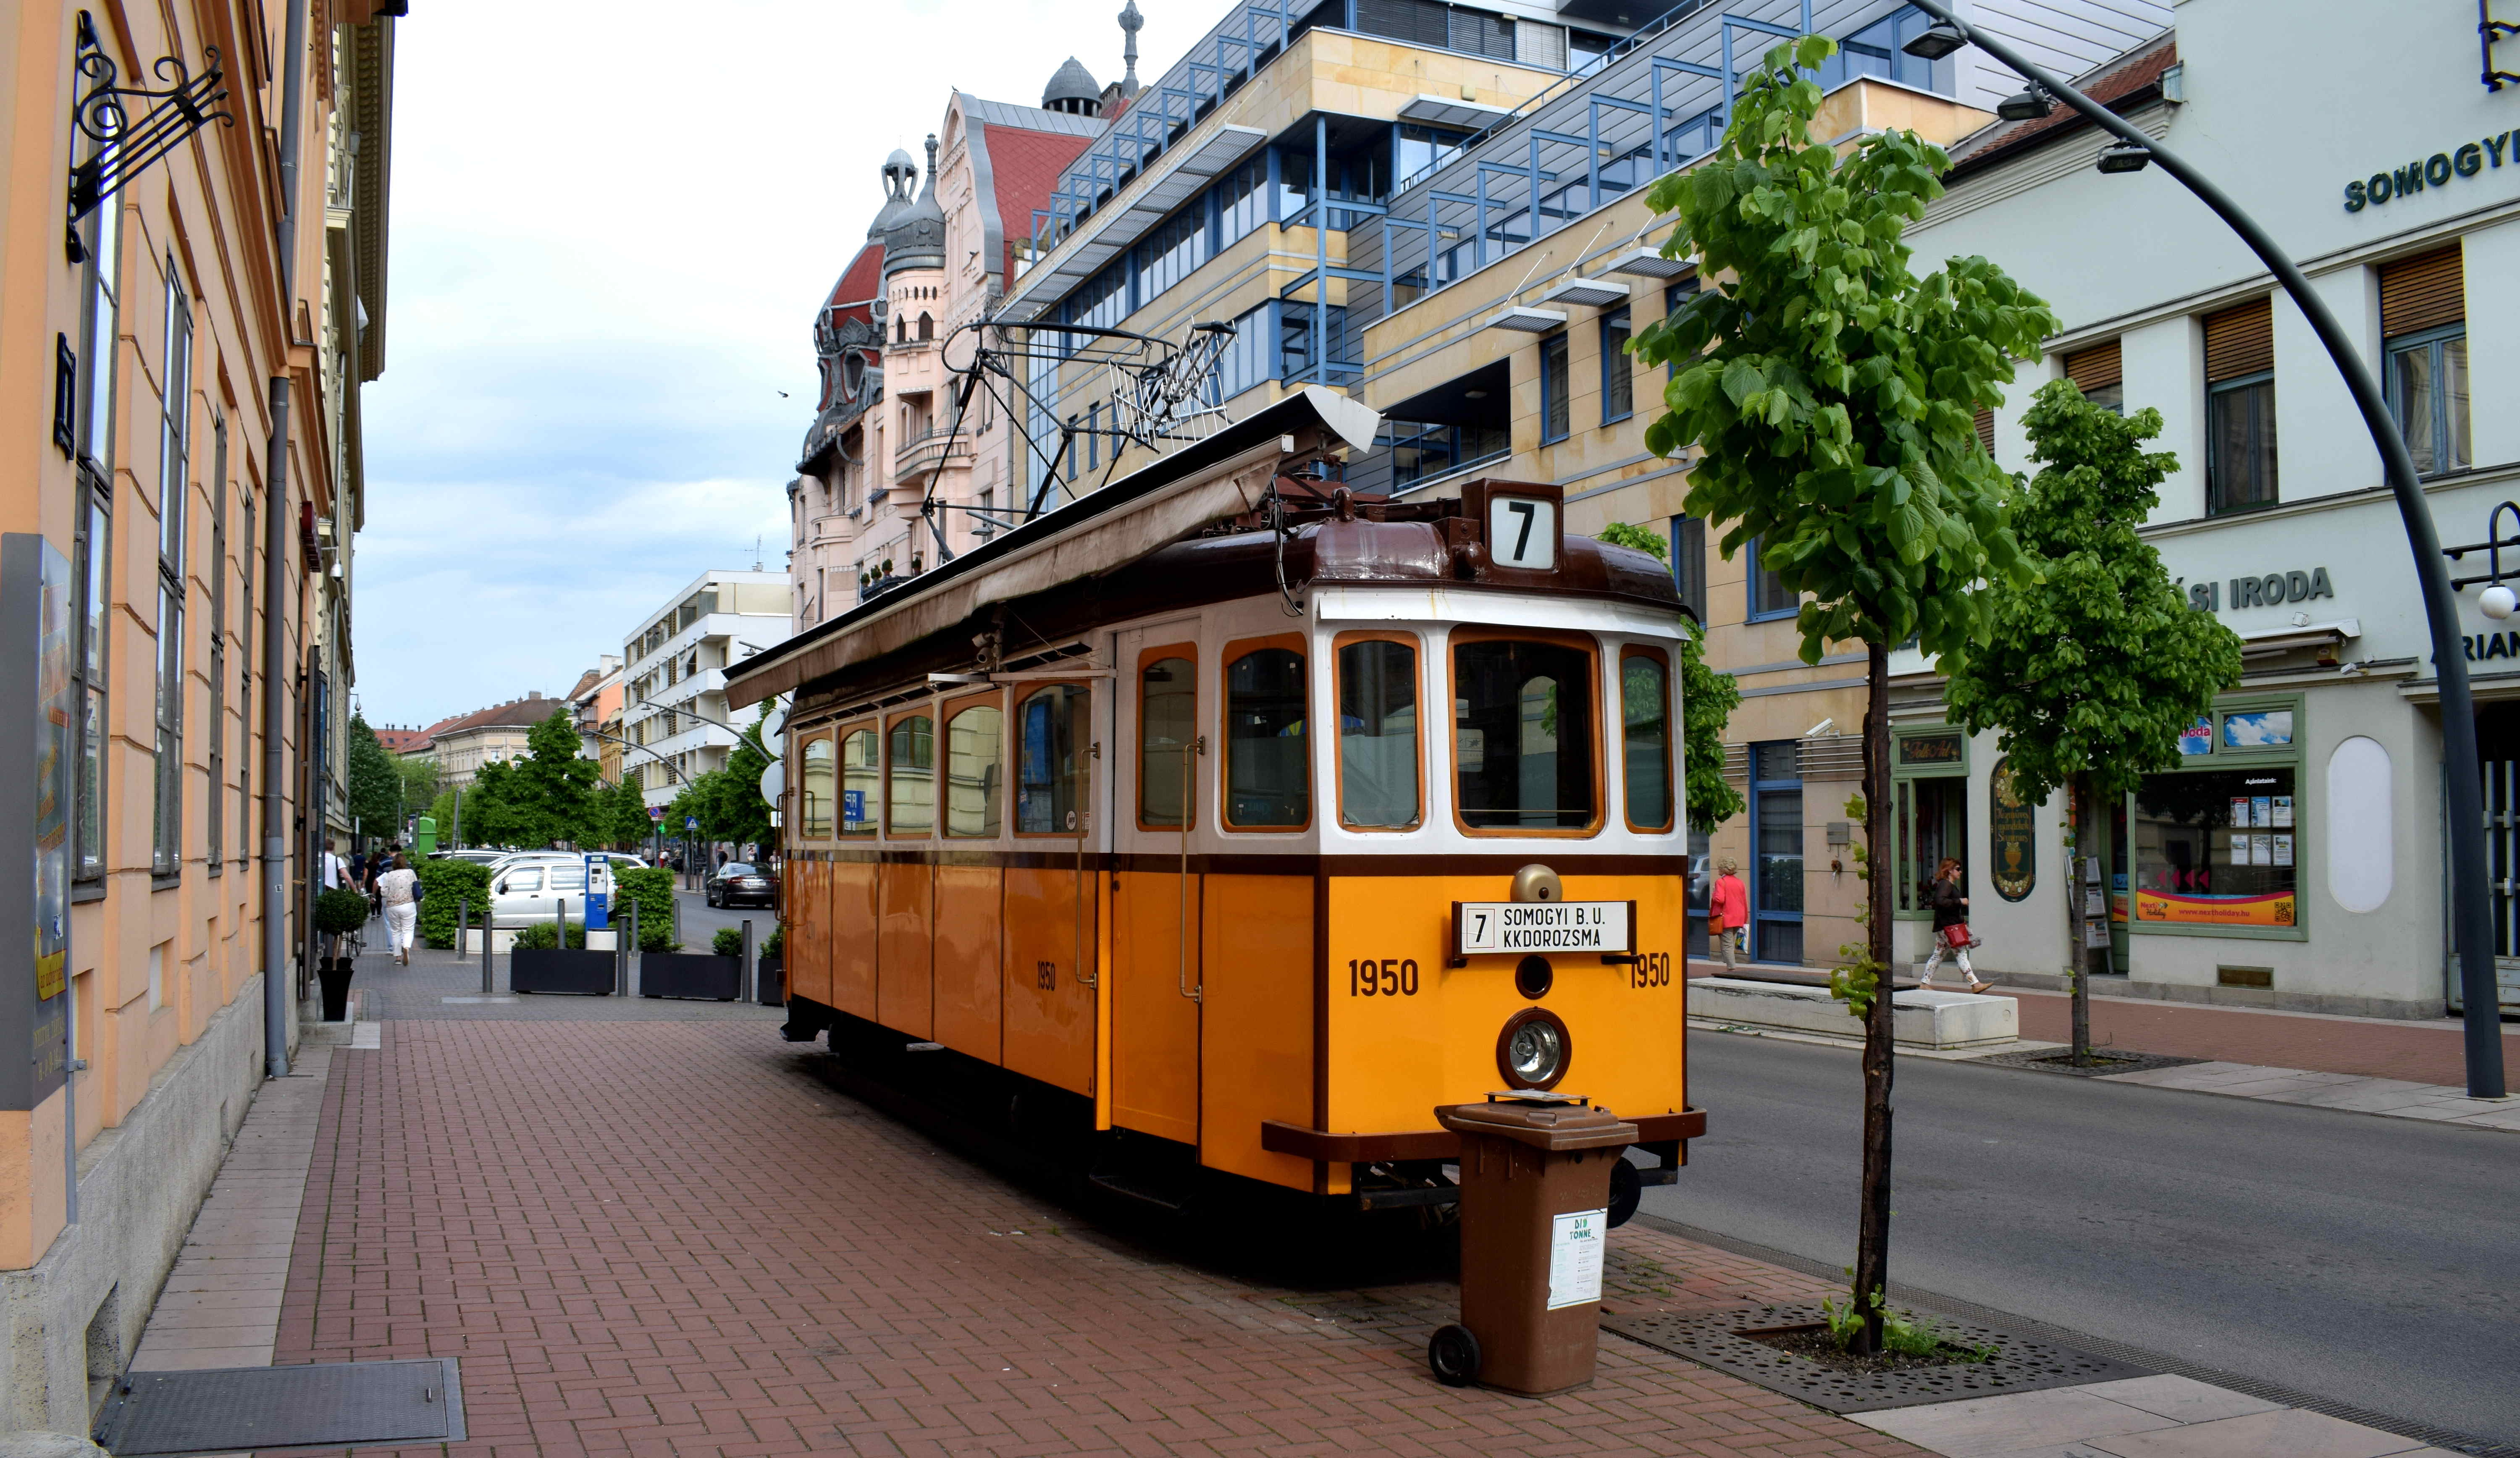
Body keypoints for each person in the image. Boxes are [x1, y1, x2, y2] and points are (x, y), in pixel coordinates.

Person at [1920, 856, 1989, 993]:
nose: (1960, 872)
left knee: (1938, 954)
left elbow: (1943, 902)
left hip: (1946, 926)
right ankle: (1975, 984)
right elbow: (1940, 902)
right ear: (1950, 870)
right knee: (1961, 953)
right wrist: (1960, 901)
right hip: (1949, 927)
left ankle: (1925, 983)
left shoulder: (1947, 885)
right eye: (1958, 869)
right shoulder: (1946, 885)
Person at [375, 852, 421, 967]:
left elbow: (384, 892)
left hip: (393, 907)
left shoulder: (389, 875)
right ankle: (406, 947)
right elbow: (416, 888)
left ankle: (397, 957)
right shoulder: (411, 873)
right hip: (408, 905)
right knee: (408, 930)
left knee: (396, 931)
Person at [1707, 857, 1748, 972]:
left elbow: (1719, 900)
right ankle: (1729, 964)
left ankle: (1731, 969)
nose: (1718, 870)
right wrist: (1745, 918)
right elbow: (1744, 901)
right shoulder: (1740, 882)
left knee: (1727, 944)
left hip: (1726, 917)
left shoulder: (1721, 882)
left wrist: (1714, 893)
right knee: (1730, 943)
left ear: (1724, 869)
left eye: (1719, 868)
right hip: (1739, 917)